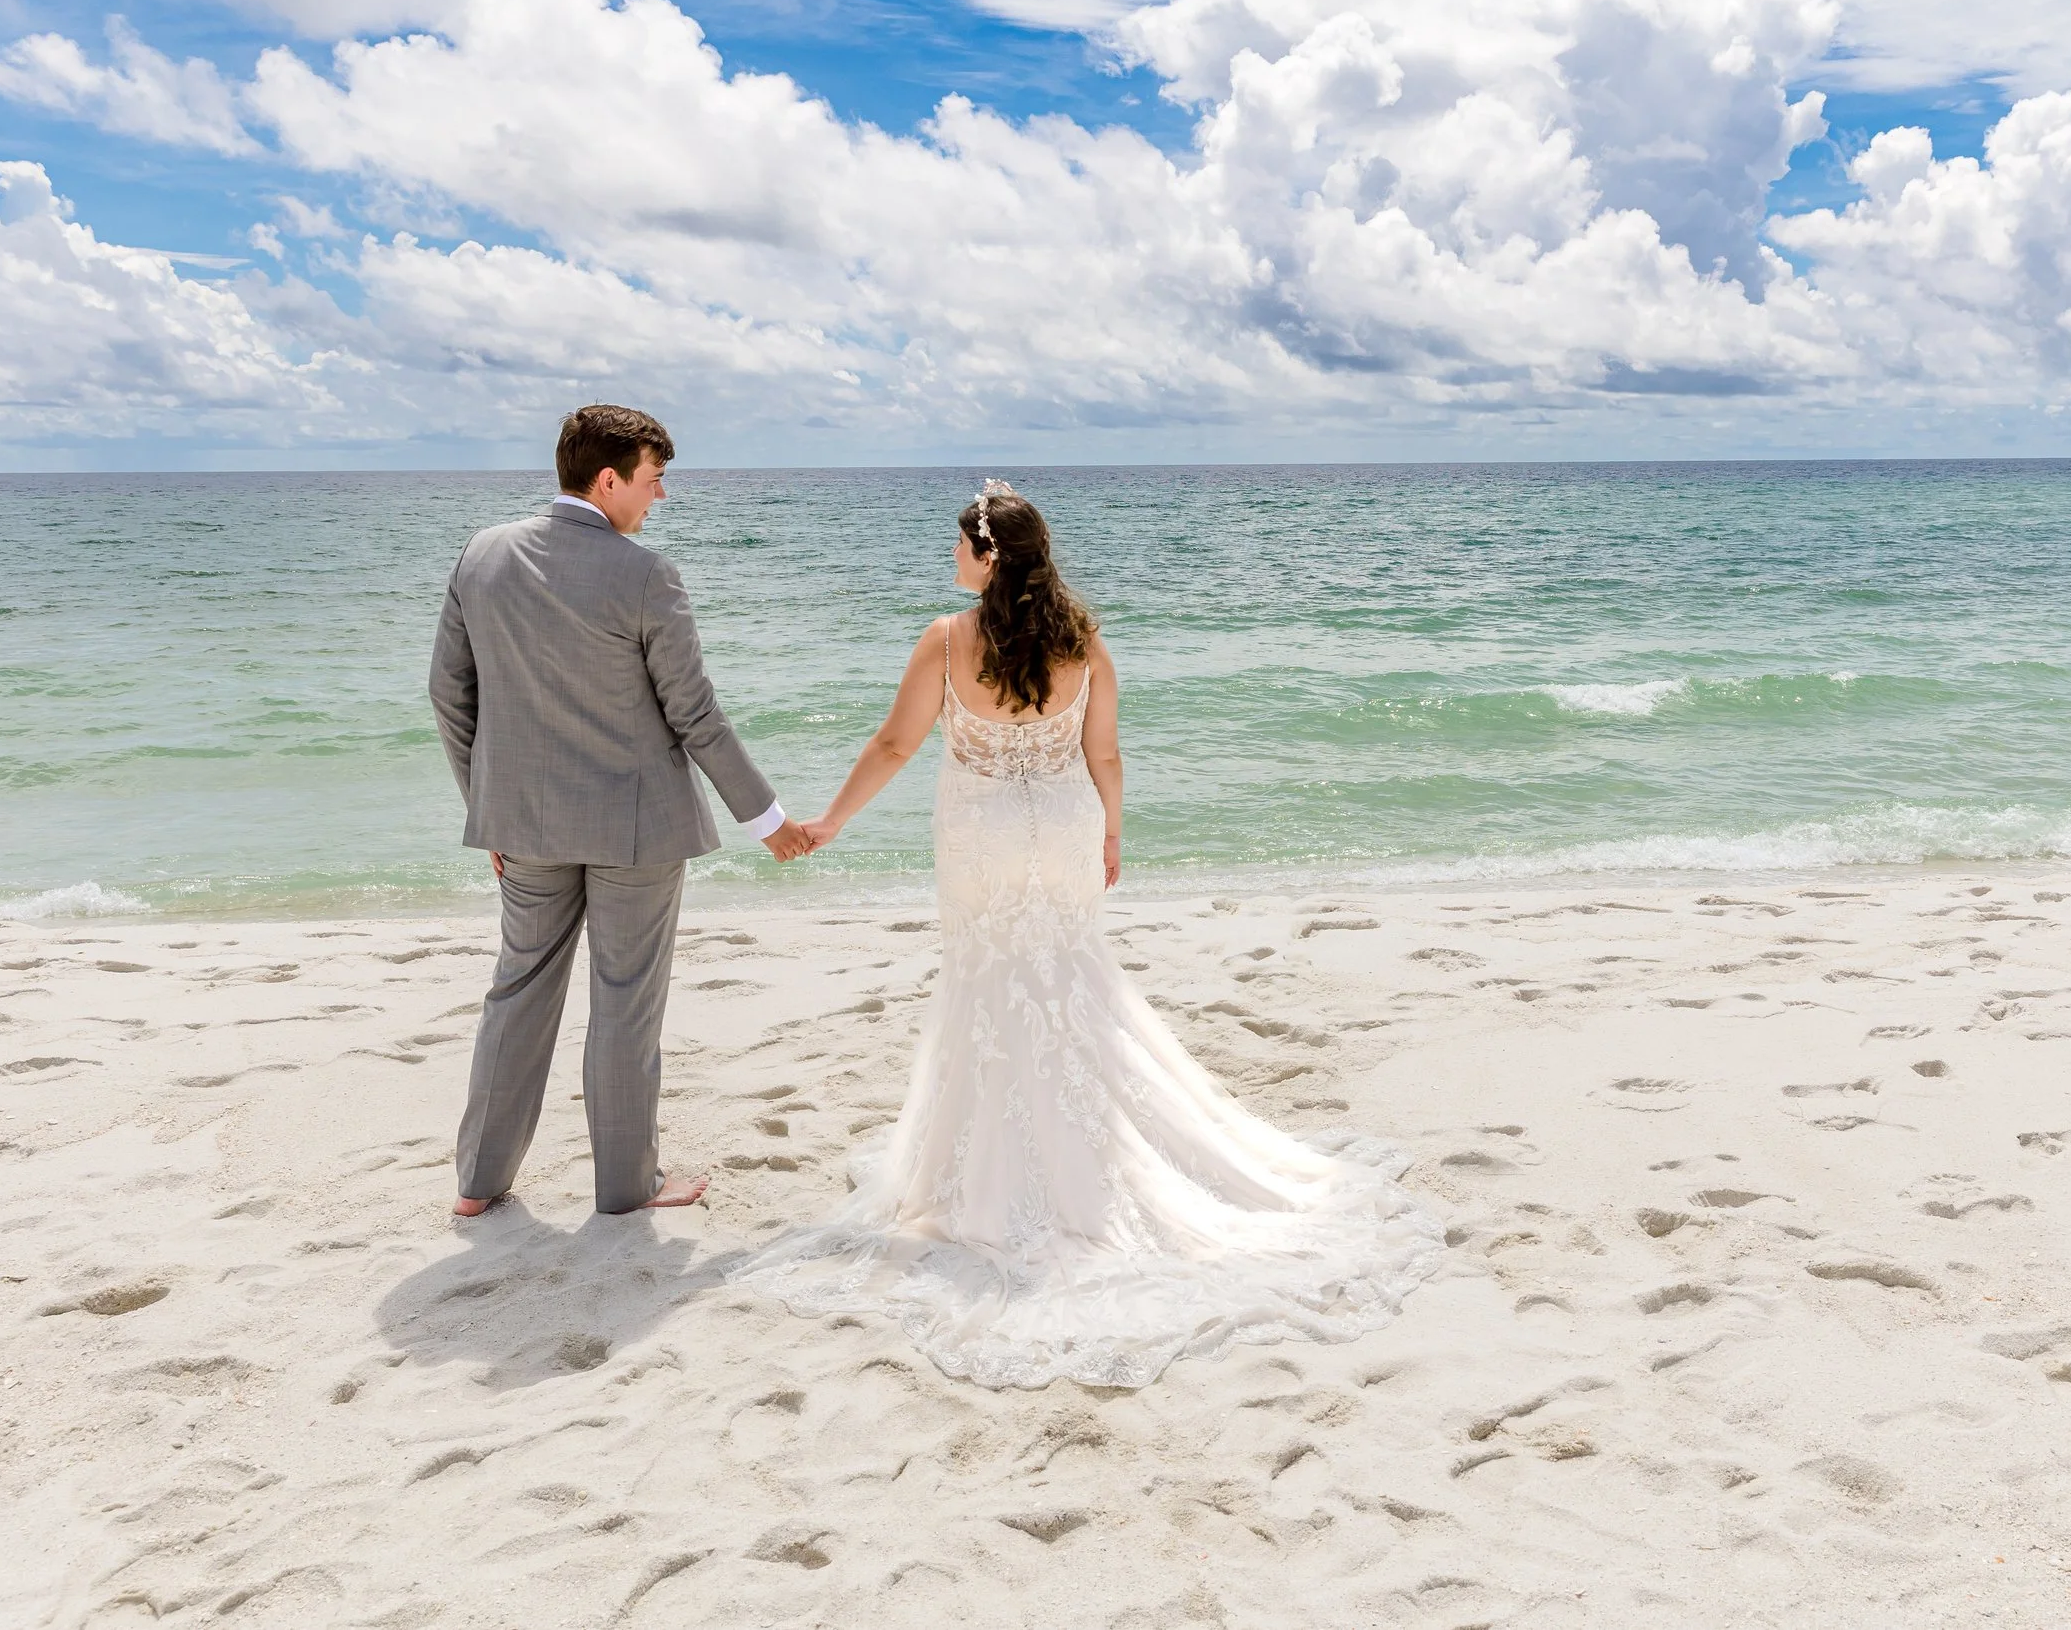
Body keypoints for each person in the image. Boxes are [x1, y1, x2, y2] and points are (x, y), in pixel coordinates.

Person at [731, 480, 1439, 1388]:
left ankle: (984, 1179)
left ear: (988, 556)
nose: (951, 558)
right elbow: (1104, 751)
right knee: (1071, 977)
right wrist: (1110, 829)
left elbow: (895, 745)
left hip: (982, 833)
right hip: (1062, 824)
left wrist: (832, 819)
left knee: (989, 981)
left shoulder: (947, 641)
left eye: (959, 545)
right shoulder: (1083, 639)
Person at [427, 404, 814, 1218]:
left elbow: (449, 697)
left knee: (517, 992)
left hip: (522, 828)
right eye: (652, 477)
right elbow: (694, 714)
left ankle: (478, 1183)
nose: (660, 495)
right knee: (625, 1000)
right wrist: (767, 819)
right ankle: (625, 1187)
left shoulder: (481, 556)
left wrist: (486, 807)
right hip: (635, 833)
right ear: (608, 479)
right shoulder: (646, 575)